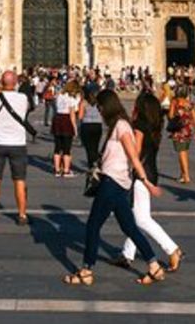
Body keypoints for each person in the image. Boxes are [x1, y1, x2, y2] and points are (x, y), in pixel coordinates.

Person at [62, 89, 164, 287]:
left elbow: (133, 156)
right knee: (129, 227)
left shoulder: (121, 126)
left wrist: (146, 181)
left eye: (100, 107)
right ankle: (154, 266)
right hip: (119, 184)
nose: (99, 111)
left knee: (93, 226)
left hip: (112, 183)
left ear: (107, 106)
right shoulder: (118, 125)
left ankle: (86, 271)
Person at [115, 91, 183, 273]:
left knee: (142, 219)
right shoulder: (155, 125)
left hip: (141, 174)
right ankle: (127, 254)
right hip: (151, 171)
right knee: (136, 215)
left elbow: (135, 152)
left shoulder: (139, 126)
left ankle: (172, 249)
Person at [0, 70, 33, 226]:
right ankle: (22, 215)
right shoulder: (23, 98)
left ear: (1, 83)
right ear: (16, 83)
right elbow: (28, 108)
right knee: (19, 180)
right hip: (18, 144)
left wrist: (0, 86)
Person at [167, 87, 195, 184]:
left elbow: (170, 116)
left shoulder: (175, 102)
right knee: (184, 151)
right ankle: (182, 174)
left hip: (179, 130)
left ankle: (186, 175)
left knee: (181, 153)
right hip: (188, 129)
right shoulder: (189, 104)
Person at [51, 80, 80, 178]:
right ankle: (66, 170)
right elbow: (72, 114)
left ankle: (57, 170)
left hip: (58, 119)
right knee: (67, 148)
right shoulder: (71, 98)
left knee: (57, 147)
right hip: (66, 120)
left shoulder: (59, 96)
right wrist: (75, 128)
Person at [77, 80, 104, 169]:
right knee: (95, 146)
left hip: (86, 125)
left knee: (89, 148)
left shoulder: (84, 102)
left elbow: (80, 116)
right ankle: (96, 162)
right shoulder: (100, 102)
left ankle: (91, 165)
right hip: (97, 125)